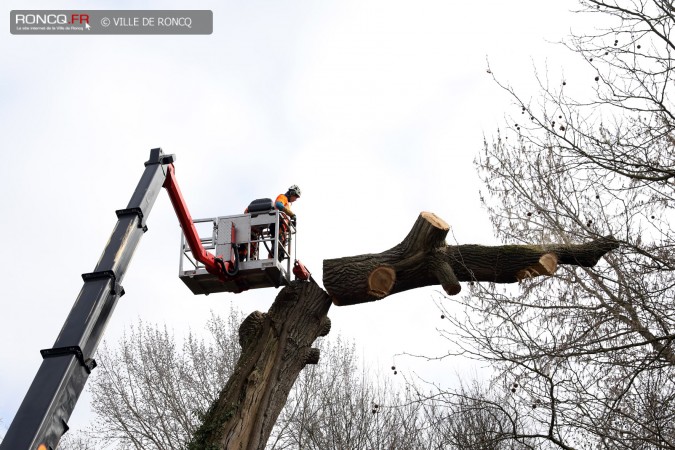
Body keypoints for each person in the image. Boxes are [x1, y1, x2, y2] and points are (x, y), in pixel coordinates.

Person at [270, 185, 301, 260]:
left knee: (281, 253)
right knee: (277, 247)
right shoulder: (282, 197)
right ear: (292, 193)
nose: (295, 199)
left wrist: (290, 223)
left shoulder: (287, 204)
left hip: (282, 229)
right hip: (277, 225)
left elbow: (284, 215)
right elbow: (278, 204)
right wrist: (291, 214)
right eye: (296, 197)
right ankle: (271, 261)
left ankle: (275, 262)